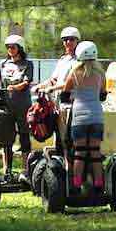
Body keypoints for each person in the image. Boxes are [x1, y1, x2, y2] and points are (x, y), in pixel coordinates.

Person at [0, 34, 34, 180]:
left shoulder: (27, 64)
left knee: (24, 136)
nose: (10, 49)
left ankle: (26, 169)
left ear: (20, 48)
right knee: (6, 138)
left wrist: (16, 87)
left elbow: (26, 82)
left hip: (22, 106)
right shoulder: (3, 64)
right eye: (8, 47)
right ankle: (7, 170)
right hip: (6, 106)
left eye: (13, 47)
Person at [63, 41, 105, 190]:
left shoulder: (74, 73)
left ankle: (76, 184)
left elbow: (64, 95)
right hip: (96, 116)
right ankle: (99, 184)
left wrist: (74, 97)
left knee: (80, 152)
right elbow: (102, 96)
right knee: (95, 151)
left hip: (79, 117)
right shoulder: (100, 73)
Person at [37, 26, 81, 154]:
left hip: (72, 104)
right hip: (59, 104)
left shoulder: (79, 61)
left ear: (77, 41)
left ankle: (71, 169)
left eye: (71, 39)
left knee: (69, 139)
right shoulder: (63, 60)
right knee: (60, 138)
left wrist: (51, 88)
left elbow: (70, 83)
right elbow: (53, 79)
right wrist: (40, 86)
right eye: (65, 40)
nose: (68, 42)